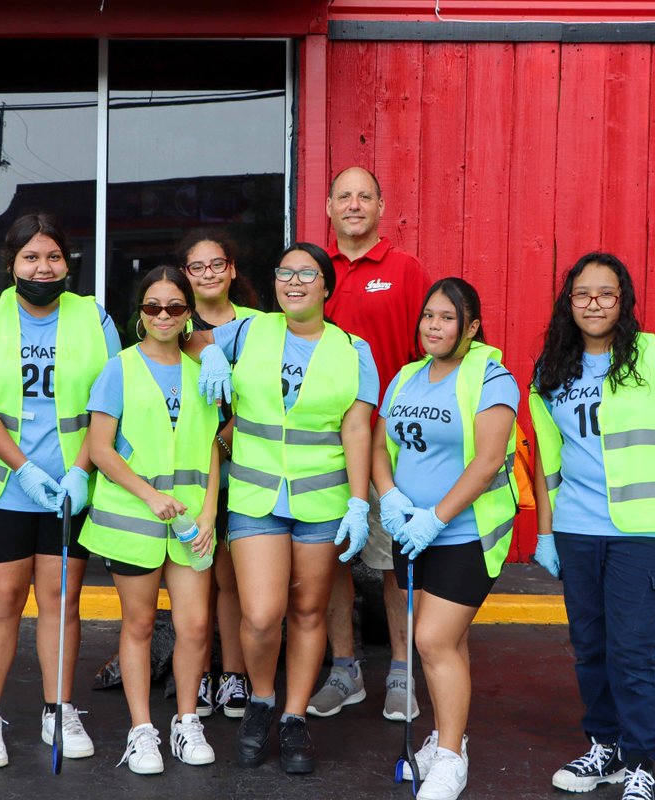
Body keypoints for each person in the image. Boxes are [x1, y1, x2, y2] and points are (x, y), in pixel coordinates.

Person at [530, 252, 655, 800]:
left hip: (644, 533)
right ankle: (603, 747)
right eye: (582, 294)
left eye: (606, 294)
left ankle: (639, 764)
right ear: (569, 302)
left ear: (623, 300)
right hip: (578, 532)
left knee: (631, 649)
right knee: (589, 646)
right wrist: (545, 531)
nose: (594, 304)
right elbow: (547, 458)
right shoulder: (550, 369)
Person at [195, 242, 379, 774]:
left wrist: (359, 502)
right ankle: (261, 699)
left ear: (326, 285)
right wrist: (209, 351)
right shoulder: (251, 330)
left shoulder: (353, 351)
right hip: (255, 495)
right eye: (284, 273)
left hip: (322, 502)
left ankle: (294, 716)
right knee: (260, 614)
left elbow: (356, 429)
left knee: (307, 611)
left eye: (306, 273)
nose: (293, 282)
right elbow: (191, 336)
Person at [0, 213, 120, 770]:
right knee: (2, 601)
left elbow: (108, 403)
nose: (42, 268)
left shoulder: (95, 317)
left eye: (52, 257)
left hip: (70, 487)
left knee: (61, 600)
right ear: (10, 264)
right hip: (4, 485)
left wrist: (78, 469)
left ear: (67, 263)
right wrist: (23, 467)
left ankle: (58, 707)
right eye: (30, 257)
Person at [372, 278, 519, 800]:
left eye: (447, 318)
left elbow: (486, 463)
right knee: (448, 643)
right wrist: (388, 495)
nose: (433, 327)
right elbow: (379, 445)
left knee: (431, 639)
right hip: (413, 531)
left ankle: (451, 759)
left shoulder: (492, 378)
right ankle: (445, 736)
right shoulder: (407, 377)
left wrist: (434, 517)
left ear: (472, 326)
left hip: (466, 532)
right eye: (428, 317)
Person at [80, 265, 221, 775]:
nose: (163, 315)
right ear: (139, 314)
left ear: (188, 315)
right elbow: (99, 448)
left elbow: (209, 445)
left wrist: (208, 510)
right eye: (152, 307)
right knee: (138, 624)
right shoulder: (119, 367)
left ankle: (186, 722)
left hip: (190, 522)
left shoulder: (201, 370)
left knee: (195, 625)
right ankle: (142, 730)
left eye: (175, 307)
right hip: (132, 519)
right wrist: (150, 495)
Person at [312, 166, 431, 723]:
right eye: (344, 196)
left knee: (391, 561)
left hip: (387, 446)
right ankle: (346, 669)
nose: (354, 205)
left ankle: (403, 673)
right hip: (322, 445)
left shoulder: (406, 272)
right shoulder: (311, 271)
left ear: (382, 207)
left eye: (365, 196)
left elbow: (430, 352)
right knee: (333, 559)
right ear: (329, 207)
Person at [177, 229, 259, 719]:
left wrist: (226, 438)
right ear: (185, 276)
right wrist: (202, 345)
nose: (208, 274)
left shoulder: (259, 325)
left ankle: (233, 675)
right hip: (187, 470)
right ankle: (198, 675)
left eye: (216, 264)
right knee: (194, 578)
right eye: (197, 267)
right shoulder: (169, 317)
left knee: (229, 578)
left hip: (243, 467)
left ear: (232, 270)